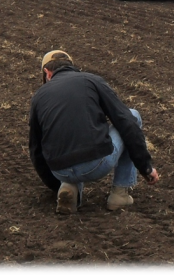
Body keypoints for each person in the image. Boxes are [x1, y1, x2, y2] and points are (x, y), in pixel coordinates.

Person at [29, 50, 159, 214]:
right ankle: (120, 194)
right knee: (132, 115)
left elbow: (36, 150)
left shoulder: (38, 97)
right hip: (96, 165)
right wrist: (145, 167)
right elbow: (126, 122)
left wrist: (56, 183)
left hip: (59, 170)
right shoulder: (91, 80)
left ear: (47, 73)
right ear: (72, 66)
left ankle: (68, 186)